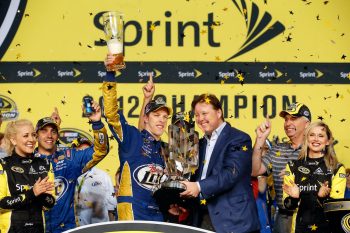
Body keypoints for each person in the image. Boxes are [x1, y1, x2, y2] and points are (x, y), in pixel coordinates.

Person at [102, 54, 172, 221]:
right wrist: (110, 74)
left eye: (165, 116)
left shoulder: (165, 149)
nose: (162, 120)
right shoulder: (132, 138)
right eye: (157, 115)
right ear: (146, 118)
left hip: (157, 216)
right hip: (132, 216)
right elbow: (111, 114)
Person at [180, 93, 260, 233]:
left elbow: (231, 174)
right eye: (197, 115)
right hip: (202, 219)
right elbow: (195, 178)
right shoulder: (199, 143)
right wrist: (181, 201)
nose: (200, 119)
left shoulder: (239, 138)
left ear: (219, 112)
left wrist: (198, 187)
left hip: (234, 221)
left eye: (204, 113)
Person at [35, 104, 109, 233]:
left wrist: (96, 123)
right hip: (36, 228)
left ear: (58, 136)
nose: (49, 135)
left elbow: (100, 150)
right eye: (44, 131)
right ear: (36, 135)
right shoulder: (26, 161)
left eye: (53, 132)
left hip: (66, 229)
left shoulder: (70, 159)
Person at [252, 102, 311, 233]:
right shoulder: (278, 148)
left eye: (294, 118)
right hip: (283, 217)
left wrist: (297, 175)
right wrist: (260, 140)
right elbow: (255, 171)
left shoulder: (316, 149)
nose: (288, 123)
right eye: (286, 119)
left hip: (309, 216)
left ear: (307, 123)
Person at [282, 121, 346, 233]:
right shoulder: (293, 166)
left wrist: (322, 198)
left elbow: (337, 210)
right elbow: (287, 206)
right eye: (312, 135)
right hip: (299, 229)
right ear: (306, 139)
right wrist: (294, 198)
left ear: (327, 141)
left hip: (327, 229)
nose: (316, 139)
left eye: (320, 136)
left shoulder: (337, 168)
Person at [0, 119, 55, 233]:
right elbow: (1, 203)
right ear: (13, 140)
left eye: (33, 135)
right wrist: (32, 193)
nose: (31, 139)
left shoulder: (45, 164)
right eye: (26, 136)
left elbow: (50, 203)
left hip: (38, 228)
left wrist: (41, 195)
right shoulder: (3, 165)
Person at [73, 137, 117, 225]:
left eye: (87, 151)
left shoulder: (103, 176)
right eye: (81, 151)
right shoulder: (66, 176)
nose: (85, 155)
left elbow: (111, 209)